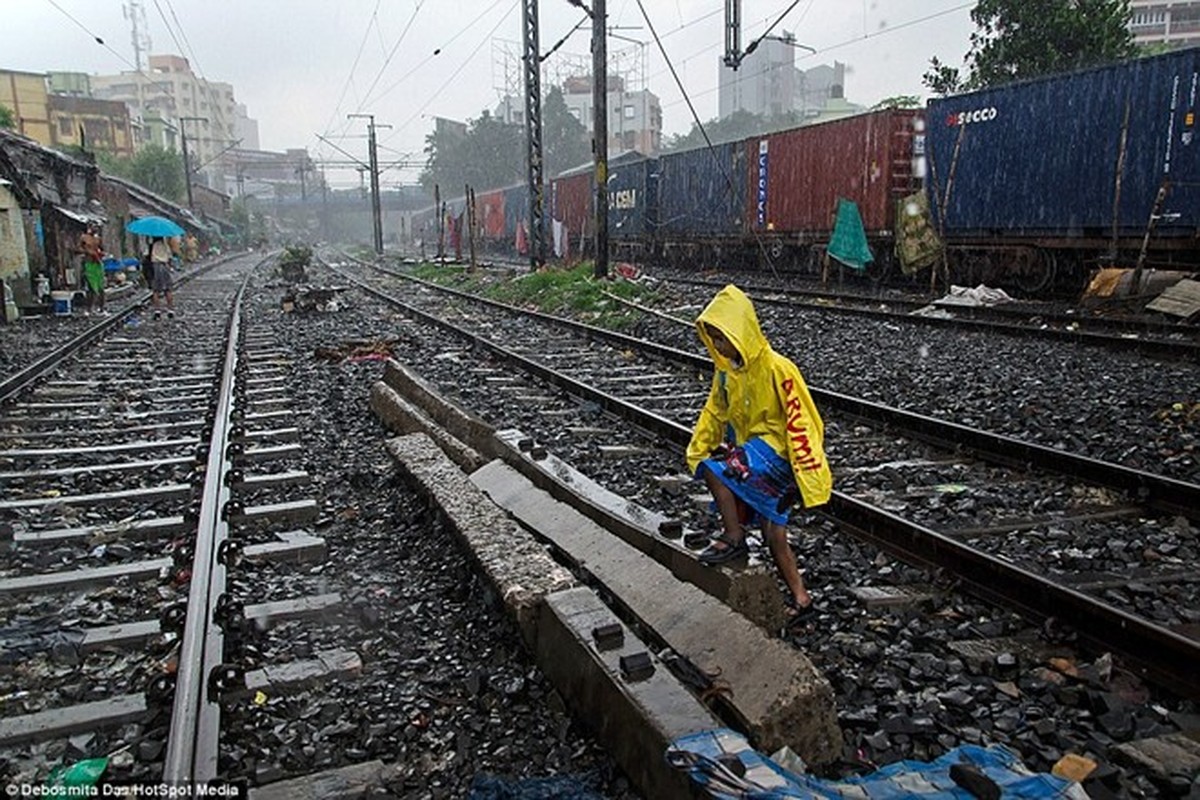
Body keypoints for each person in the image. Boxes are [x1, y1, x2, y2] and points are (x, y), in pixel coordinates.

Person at [685, 284, 832, 627]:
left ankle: (734, 537)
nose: (719, 346)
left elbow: (803, 421)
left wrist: (807, 474)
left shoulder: (778, 368)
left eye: (723, 338)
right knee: (773, 534)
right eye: (714, 339)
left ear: (742, 332)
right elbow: (714, 413)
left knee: (716, 470)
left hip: (778, 455)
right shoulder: (726, 374)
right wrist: (698, 445)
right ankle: (802, 599)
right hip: (755, 454)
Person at [79, 225, 106, 315]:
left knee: (100, 287)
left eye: (96, 227)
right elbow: (79, 249)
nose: (95, 229)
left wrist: (100, 253)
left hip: (98, 264)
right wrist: (88, 252)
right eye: (93, 227)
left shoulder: (98, 239)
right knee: (91, 287)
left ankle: (101, 308)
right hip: (89, 264)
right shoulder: (84, 238)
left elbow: (102, 249)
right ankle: (89, 308)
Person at [148, 236, 175, 319]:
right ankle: (170, 310)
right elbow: (170, 257)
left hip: (155, 267)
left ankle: (157, 311)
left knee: (156, 290)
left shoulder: (152, 245)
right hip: (165, 266)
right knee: (168, 289)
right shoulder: (165, 245)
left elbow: (147, 256)